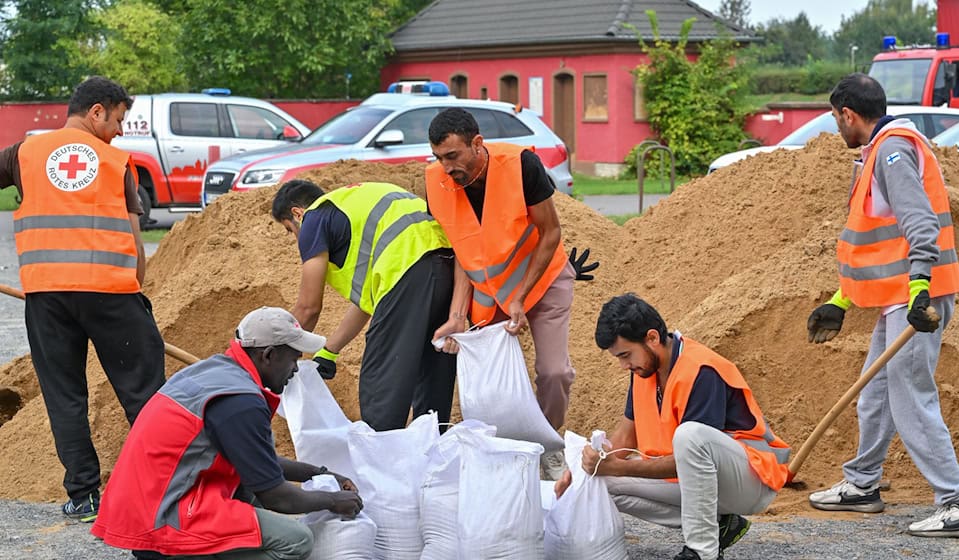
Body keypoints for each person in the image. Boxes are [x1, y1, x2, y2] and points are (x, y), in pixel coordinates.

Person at [806, 73, 959, 538]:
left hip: (917, 301)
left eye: (835, 117)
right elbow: (879, 245)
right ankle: (862, 483)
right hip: (900, 297)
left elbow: (919, 223)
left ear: (849, 114)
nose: (835, 126)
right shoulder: (880, 152)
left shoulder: (892, 150)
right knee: (875, 394)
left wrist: (921, 289)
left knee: (911, 399)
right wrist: (841, 299)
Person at [0, 76, 165, 522]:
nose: (119, 131)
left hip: (47, 297)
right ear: (97, 111)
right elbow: (134, 241)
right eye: (118, 120)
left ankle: (84, 495)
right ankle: (166, 489)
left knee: (64, 396)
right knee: (146, 394)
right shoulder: (115, 162)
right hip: (111, 293)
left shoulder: (23, 154)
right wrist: (137, 292)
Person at [91, 307, 363, 559]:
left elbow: (259, 463)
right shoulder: (240, 402)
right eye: (294, 358)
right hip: (164, 518)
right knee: (296, 540)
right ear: (268, 355)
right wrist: (332, 501)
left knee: (248, 488)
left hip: (148, 505)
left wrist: (320, 474)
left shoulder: (218, 373)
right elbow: (277, 496)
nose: (295, 369)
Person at [556, 293, 790, 560]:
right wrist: (582, 471)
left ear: (652, 338)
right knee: (601, 484)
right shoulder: (643, 370)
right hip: (700, 480)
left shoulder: (701, 370)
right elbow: (625, 436)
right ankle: (721, 525)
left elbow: (689, 456)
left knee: (691, 435)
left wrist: (621, 467)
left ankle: (702, 552)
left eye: (625, 355)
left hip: (750, 480)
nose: (623, 366)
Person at [426, 107, 585, 480]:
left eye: (452, 156)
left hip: (542, 279)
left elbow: (550, 233)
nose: (446, 167)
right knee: (488, 382)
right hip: (490, 290)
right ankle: (504, 452)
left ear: (477, 144)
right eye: (438, 158)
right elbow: (462, 251)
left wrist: (521, 297)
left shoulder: (521, 166)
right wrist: (456, 314)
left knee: (554, 372)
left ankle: (548, 445)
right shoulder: (437, 182)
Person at [271, 179, 457, 431]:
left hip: (410, 270)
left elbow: (308, 307)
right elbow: (369, 302)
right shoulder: (354, 209)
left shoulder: (313, 218)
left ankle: (380, 457)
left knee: (380, 380)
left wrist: (274, 351)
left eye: (289, 230)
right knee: (432, 369)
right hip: (447, 266)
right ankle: (434, 448)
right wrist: (329, 350)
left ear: (297, 213)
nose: (295, 238)